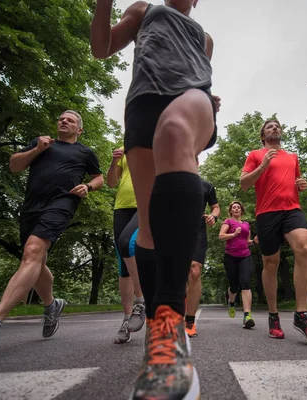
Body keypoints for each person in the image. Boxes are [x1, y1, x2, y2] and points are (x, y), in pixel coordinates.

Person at [91, 0, 219, 398]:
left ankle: (169, 318)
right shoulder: (143, 10)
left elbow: (202, 74)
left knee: (176, 130)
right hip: (142, 106)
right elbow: (101, 47)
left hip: (191, 99)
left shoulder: (204, 36)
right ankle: (162, 341)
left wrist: (212, 110)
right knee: (146, 231)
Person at [0, 110, 104, 356]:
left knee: (32, 252)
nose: (63, 121)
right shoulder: (41, 143)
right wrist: (37, 150)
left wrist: (88, 186)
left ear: (79, 129)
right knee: (37, 260)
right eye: (60, 118)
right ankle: (52, 305)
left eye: (70, 120)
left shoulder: (84, 152)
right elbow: (14, 166)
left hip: (63, 203)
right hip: (31, 207)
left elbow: (99, 177)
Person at [240, 119, 307, 343]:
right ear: (263, 136)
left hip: (292, 209)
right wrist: (263, 166)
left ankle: (301, 315)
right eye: (269, 126)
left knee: (305, 248)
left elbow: (295, 180)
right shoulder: (255, 155)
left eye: (277, 125)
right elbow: (244, 184)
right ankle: (273, 315)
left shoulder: (292, 157)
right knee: (271, 263)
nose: (274, 128)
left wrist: (301, 184)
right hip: (267, 213)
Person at [107, 147, 146, 344]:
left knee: (126, 244)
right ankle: (126, 318)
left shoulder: (159, 138)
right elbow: (112, 182)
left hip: (146, 202)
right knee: (123, 266)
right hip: (122, 206)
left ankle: (141, 300)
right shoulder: (124, 147)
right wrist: (114, 162)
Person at [185, 174, 220, 338]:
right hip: (172, 227)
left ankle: (189, 320)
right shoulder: (170, 179)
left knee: (195, 270)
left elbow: (215, 206)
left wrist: (214, 215)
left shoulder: (207, 185)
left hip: (197, 227)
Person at [218, 201, 256, 329]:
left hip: (245, 256)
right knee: (234, 286)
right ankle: (232, 302)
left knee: (245, 282)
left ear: (241, 210)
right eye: (233, 207)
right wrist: (233, 234)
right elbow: (221, 236)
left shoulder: (246, 224)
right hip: (231, 257)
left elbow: (246, 242)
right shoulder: (228, 221)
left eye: (238, 207)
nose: (236, 209)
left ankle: (247, 316)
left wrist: (254, 242)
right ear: (230, 211)